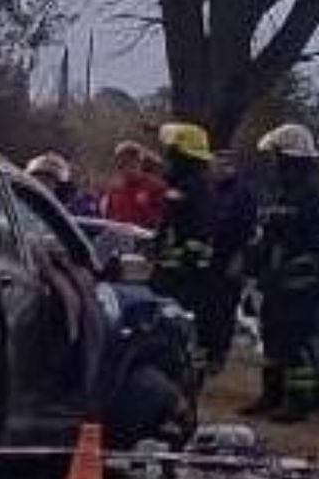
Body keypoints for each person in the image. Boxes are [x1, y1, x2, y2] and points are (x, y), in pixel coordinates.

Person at [241, 123, 319, 422]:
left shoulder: (312, 198)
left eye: (278, 157)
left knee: (297, 343)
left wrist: (301, 264)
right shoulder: (281, 194)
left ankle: (298, 403)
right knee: (272, 339)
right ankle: (271, 396)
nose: (275, 164)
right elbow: (268, 237)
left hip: (300, 284)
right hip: (275, 282)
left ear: (292, 159)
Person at [149, 122, 218, 374]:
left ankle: (189, 377)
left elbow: (198, 234)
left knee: (186, 327)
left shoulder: (197, 188)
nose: (168, 158)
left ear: (184, 155)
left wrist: (182, 263)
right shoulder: (184, 185)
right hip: (173, 274)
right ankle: (176, 370)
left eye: (173, 152)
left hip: (186, 278)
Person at [199, 153, 259, 372]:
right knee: (205, 308)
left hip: (231, 258)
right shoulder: (211, 190)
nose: (218, 169)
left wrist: (240, 258)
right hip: (210, 258)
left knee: (223, 309)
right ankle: (202, 354)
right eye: (216, 164)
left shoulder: (242, 193)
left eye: (224, 164)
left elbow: (248, 230)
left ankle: (217, 356)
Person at [101, 140, 166, 229]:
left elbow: (163, 217)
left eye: (132, 162)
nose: (128, 168)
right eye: (123, 164)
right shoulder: (115, 188)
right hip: (121, 238)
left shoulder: (156, 186)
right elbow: (109, 216)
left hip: (146, 238)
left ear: (140, 162)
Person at [26, 152, 100, 217]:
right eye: (36, 178)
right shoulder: (23, 198)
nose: (39, 183)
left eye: (47, 179)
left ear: (59, 184)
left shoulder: (78, 206)